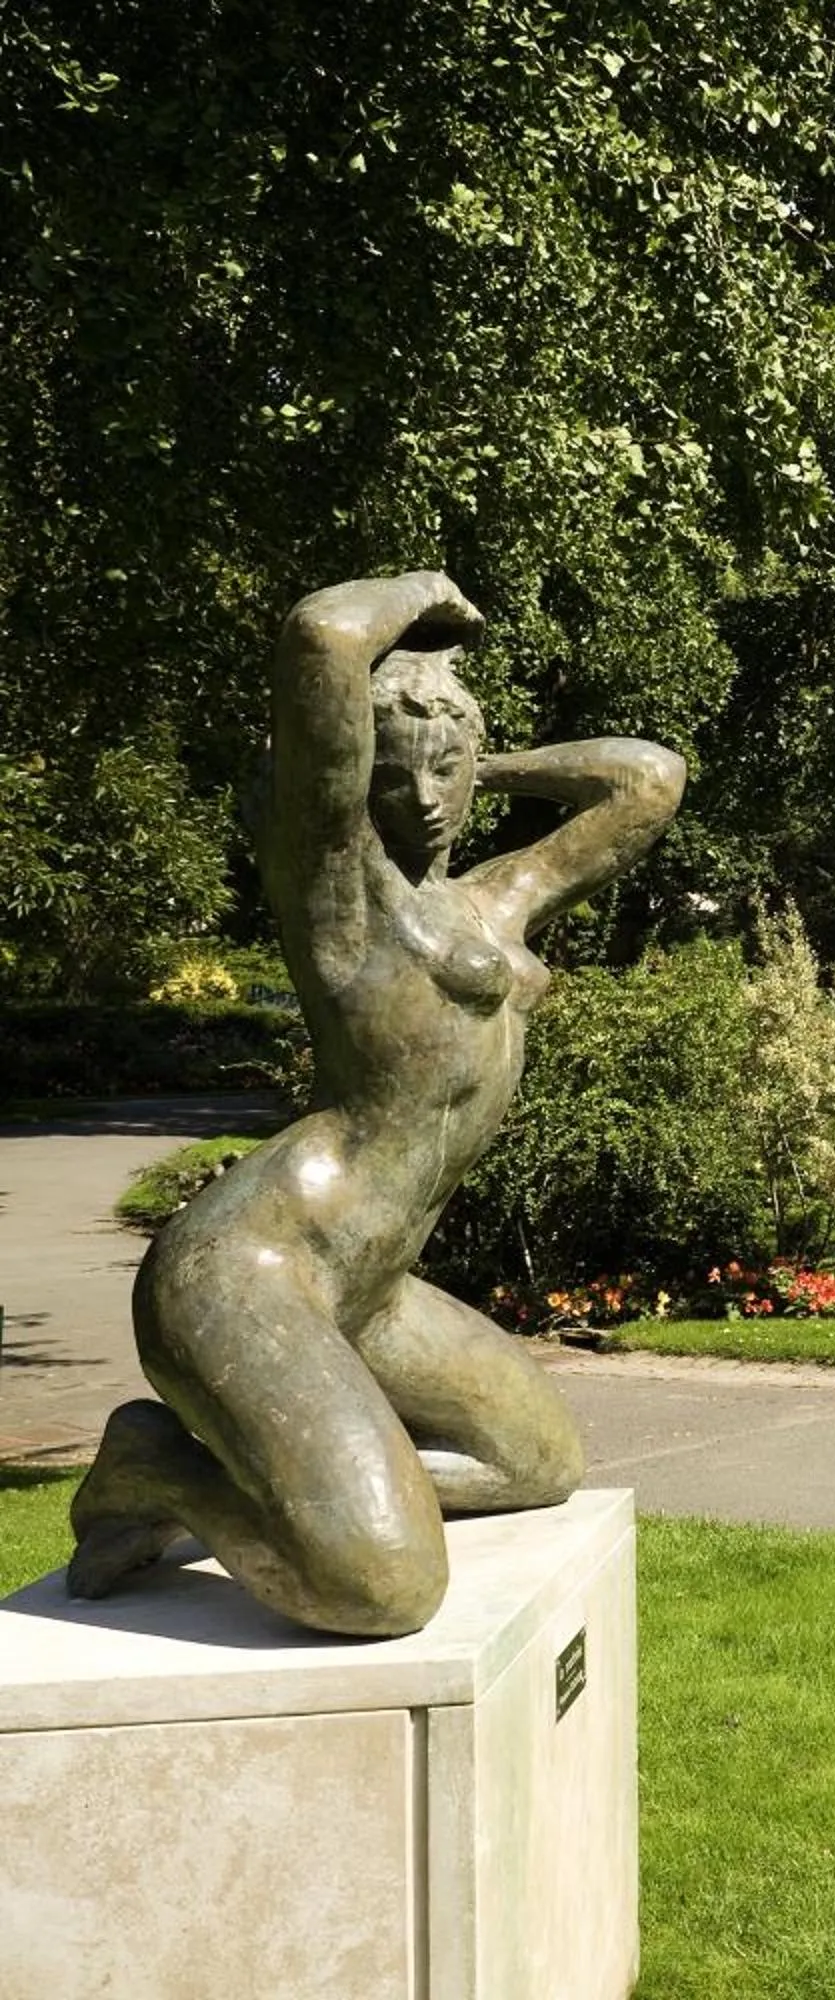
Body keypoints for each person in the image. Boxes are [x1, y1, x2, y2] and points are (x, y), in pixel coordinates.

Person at [67, 572, 684, 1635]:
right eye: (397, 776)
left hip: (372, 1286)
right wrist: (425, 590)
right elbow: (321, 634)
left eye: (447, 774)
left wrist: (468, 750)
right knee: (383, 1586)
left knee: (534, 1458)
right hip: (254, 1267)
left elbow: (647, 780)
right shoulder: (340, 887)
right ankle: (162, 1468)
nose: (429, 799)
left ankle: (324, 1489)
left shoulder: (496, 897)